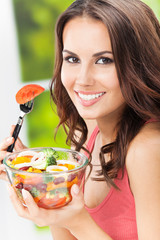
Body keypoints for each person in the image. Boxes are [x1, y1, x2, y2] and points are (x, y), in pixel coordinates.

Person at [0, 0, 160, 239]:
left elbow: (78, 226)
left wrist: (79, 222)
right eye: (72, 59)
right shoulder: (86, 131)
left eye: (104, 60)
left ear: (138, 64)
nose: (83, 80)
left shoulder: (148, 149)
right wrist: (42, 181)